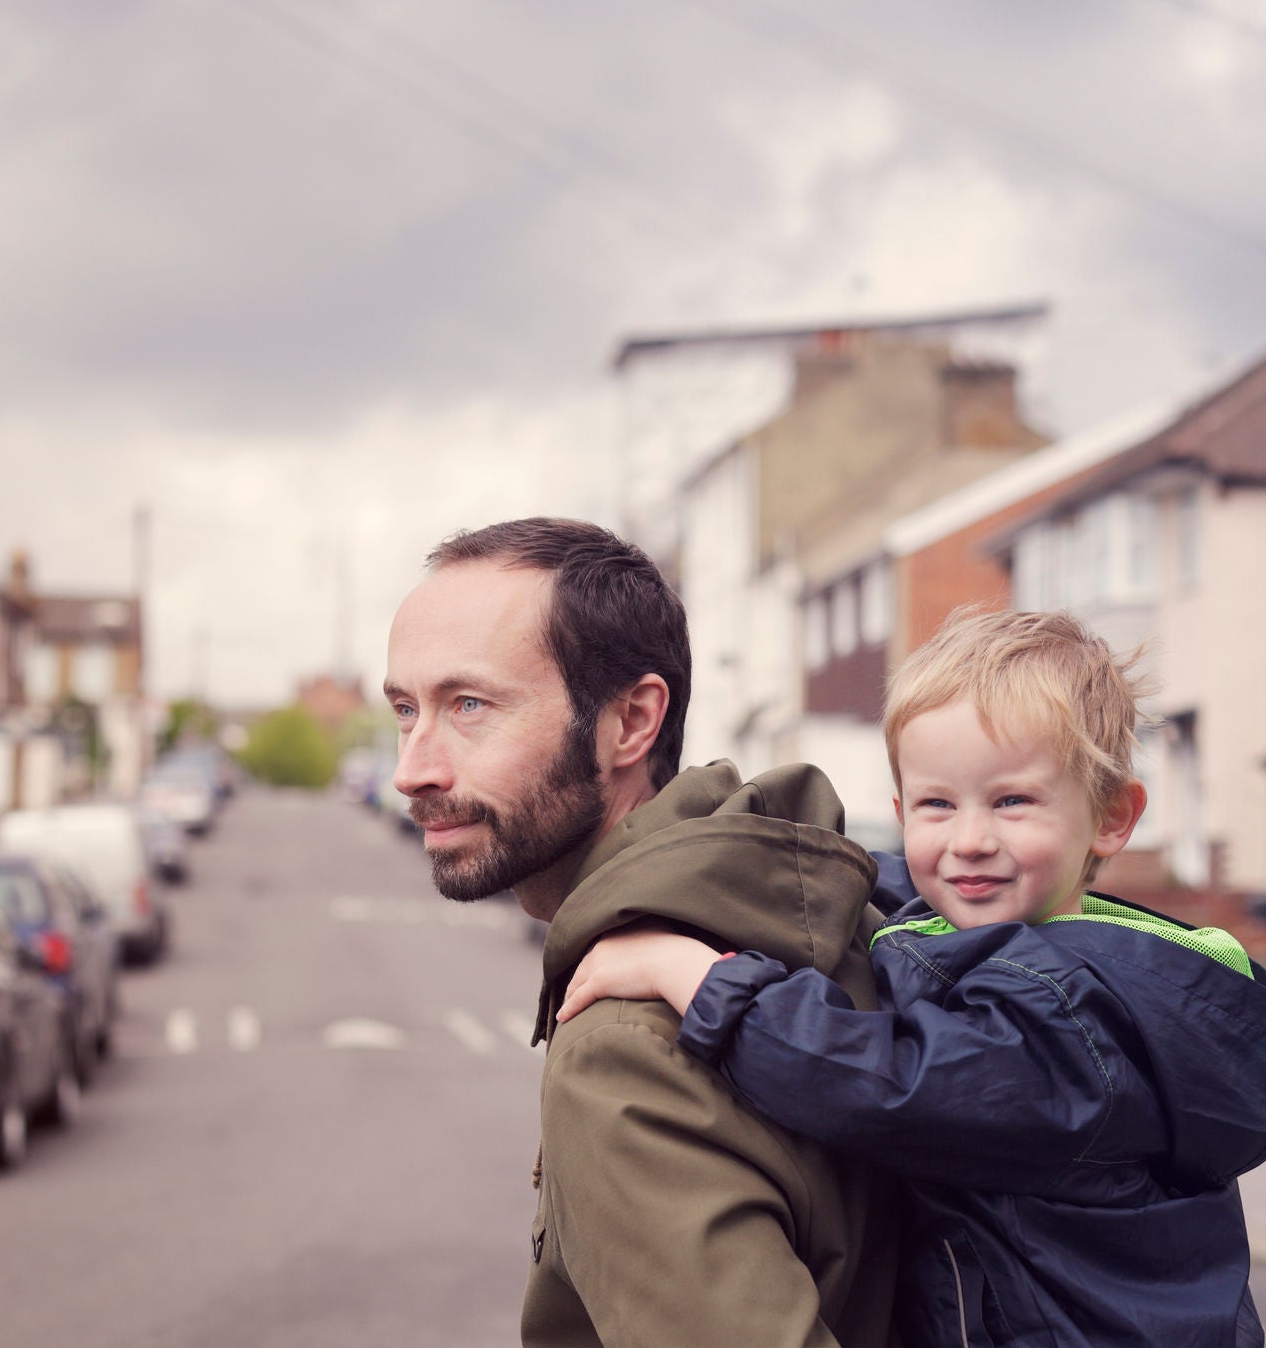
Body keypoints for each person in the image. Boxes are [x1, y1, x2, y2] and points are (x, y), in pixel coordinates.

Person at [559, 608, 1266, 1347]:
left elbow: (885, 1083)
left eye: (1013, 801)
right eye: (937, 806)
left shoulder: (1069, 1014)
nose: (969, 840)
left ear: (1113, 816)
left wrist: (699, 977)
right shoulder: (1021, 924)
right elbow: (905, 893)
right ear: (903, 808)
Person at [385, 517, 899, 1348]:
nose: (412, 766)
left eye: (469, 705)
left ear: (631, 721)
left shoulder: (624, 1043)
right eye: (406, 709)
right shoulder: (795, 905)